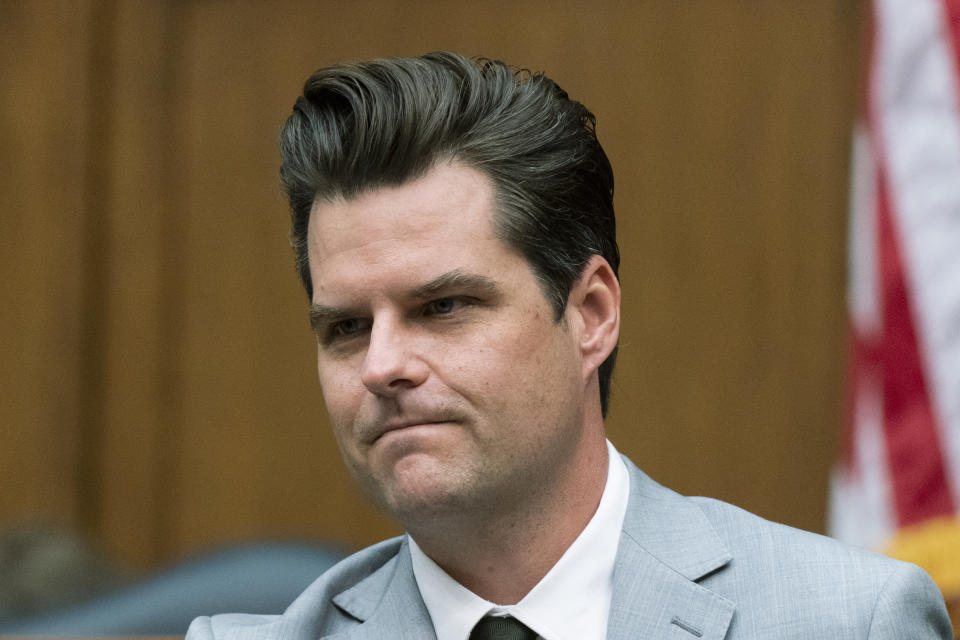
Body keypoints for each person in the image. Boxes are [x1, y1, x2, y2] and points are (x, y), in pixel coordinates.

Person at [187, 52, 953, 639]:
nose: (383, 366)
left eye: (444, 305)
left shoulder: (845, 622)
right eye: (347, 328)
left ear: (590, 313)